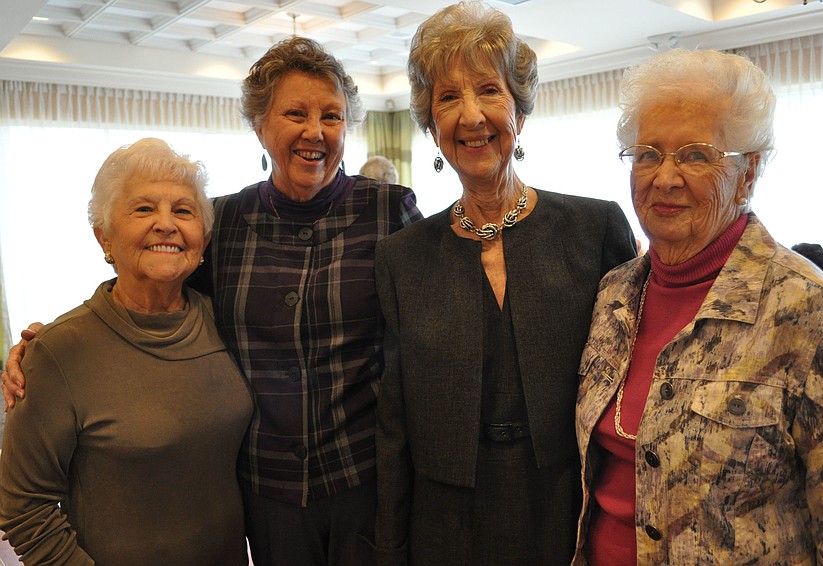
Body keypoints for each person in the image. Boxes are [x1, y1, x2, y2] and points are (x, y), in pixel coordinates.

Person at [2, 37, 422, 566]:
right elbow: (145, 290)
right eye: (295, 112)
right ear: (259, 125)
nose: (315, 131)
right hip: (265, 495)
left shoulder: (388, 211)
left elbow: (428, 322)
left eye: (332, 116)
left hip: (366, 479)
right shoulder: (223, 222)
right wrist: (43, 348)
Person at [371, 3, 635, 565]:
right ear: (429, 122)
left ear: (519, 109)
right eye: (447, 98)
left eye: (488, 90)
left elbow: (631, 394)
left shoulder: (594, 230)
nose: (471, 117)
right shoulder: (402, 258)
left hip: (566, 509)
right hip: (444, 526)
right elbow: (393, 424)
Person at [573, 49, 823, 565]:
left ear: (748, 173)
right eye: (648, 153)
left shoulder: (810, 313)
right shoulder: (613, 294)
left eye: (696, 155)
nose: (666, 177)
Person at [0, 138, 253, 565]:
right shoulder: (58, 351)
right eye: (143, 209)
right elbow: (24, 506)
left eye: (184, 210)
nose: (166, 224)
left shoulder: (230, 322)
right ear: (104, 237)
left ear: (204, 240)